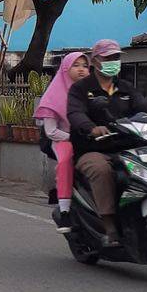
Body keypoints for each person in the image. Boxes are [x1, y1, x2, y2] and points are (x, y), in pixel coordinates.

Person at [67, 39, 147, 247]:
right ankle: (109, 226)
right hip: (94, 149)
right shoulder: (81, 89)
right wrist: (92, 128)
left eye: (116, 57)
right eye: (108, 58)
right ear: (95, 61)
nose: (113, 61)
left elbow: (146, 107)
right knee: (100, 170)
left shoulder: (126, 88)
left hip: (129, 148)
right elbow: (75, 113)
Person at [34, 52, 90, 233]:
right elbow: (51, 131)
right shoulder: (55, 93)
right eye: (76, 65)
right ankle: (65, 210)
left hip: (91, 139)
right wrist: (72, 137)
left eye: (85, 65)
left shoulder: (92, 91)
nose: (81, 69)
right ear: (66, 68)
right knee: (66, 160)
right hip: (64, 139)